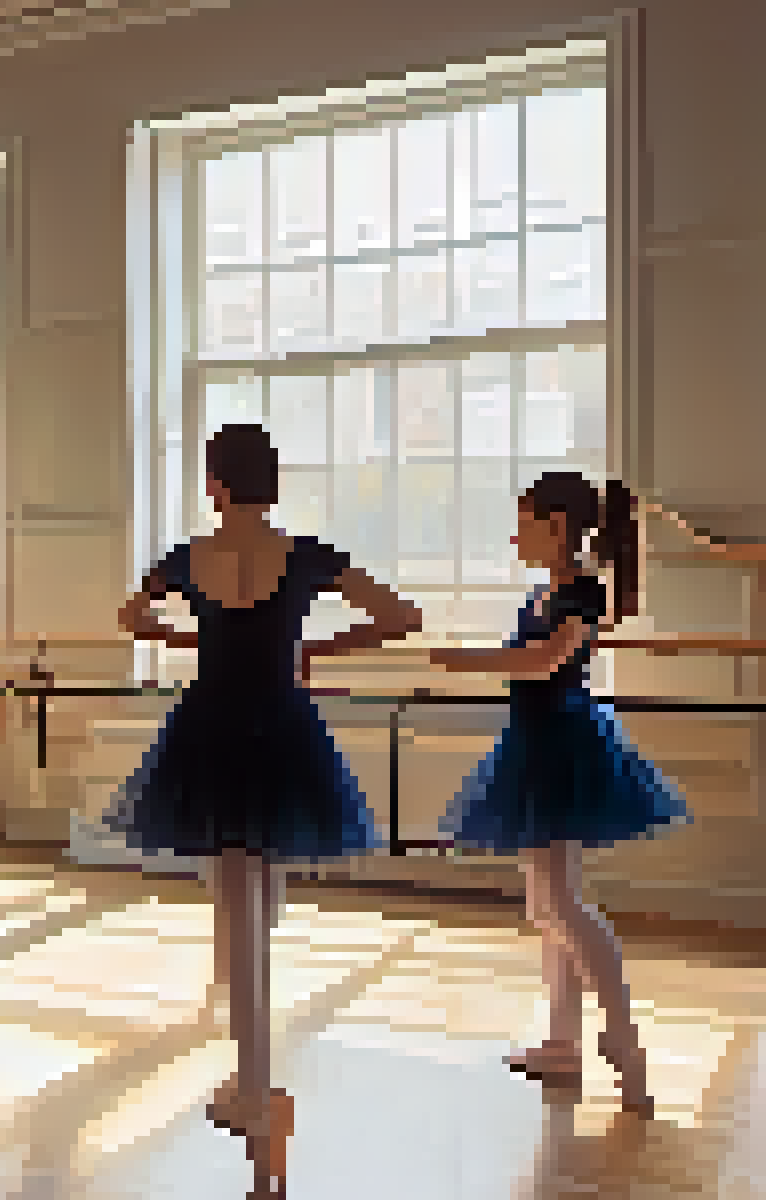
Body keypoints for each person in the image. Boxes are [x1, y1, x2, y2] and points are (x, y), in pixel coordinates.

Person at [108, 423, 420, 1196]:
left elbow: (130, 616)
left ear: (214, 483)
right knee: (256, 884)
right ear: (272, 483)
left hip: (211, 724)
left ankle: (254, 1091)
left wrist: (180, 634)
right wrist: (322, 650)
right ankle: (250, 1077)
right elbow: (401, 616)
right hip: (281, 722)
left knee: (234, 888)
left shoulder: (186, 558)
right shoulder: (309, 556)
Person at [432, 472, 681, 1118]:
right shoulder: (546, 590)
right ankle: (563, 1042)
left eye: (524, 522)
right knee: (547, 903)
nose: (515, 534)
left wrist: (465, 662)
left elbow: (546, 661)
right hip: (535, 745)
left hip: (563, 746)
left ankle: (621, 1038)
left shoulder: (582, 592)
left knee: (561, 903)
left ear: (557, 527)